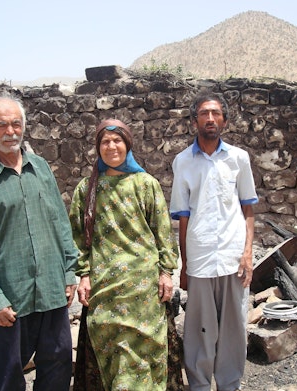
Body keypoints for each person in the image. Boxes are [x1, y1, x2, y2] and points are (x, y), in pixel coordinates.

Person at [0, 93, 78, 391]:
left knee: (58, 370)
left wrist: (68, 274)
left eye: (16, 124)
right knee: (8, 378)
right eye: (2, 125)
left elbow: (61, 225)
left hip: (52, 293)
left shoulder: (40, 167)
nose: (11, 132)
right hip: (10, 300)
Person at [69, 119, 181, 390]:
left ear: (127, 144)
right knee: (110, 352)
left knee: (145, 351)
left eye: (117, 140)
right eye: (105, 141)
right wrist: (83, 275)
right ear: (98, 147)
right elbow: (76, 238)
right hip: (103, 288)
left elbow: (163, 232)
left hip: (144, 290)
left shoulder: (145, 184)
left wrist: (166, 272)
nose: (111, 146)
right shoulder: (87, 189)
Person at [170, 92, 259, 391]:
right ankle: (198, 385)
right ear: (194, 120)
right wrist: (184, 265)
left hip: (234, 257)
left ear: (224, 120)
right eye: (204, 113)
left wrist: (247, 254)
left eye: (216, 113)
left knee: (234, 328)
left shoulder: (238, 159)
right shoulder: (182, 162)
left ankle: (229, 384)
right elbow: (183, 218)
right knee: (199, 330)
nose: (210, 118)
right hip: (200, 257)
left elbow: (248, 208)